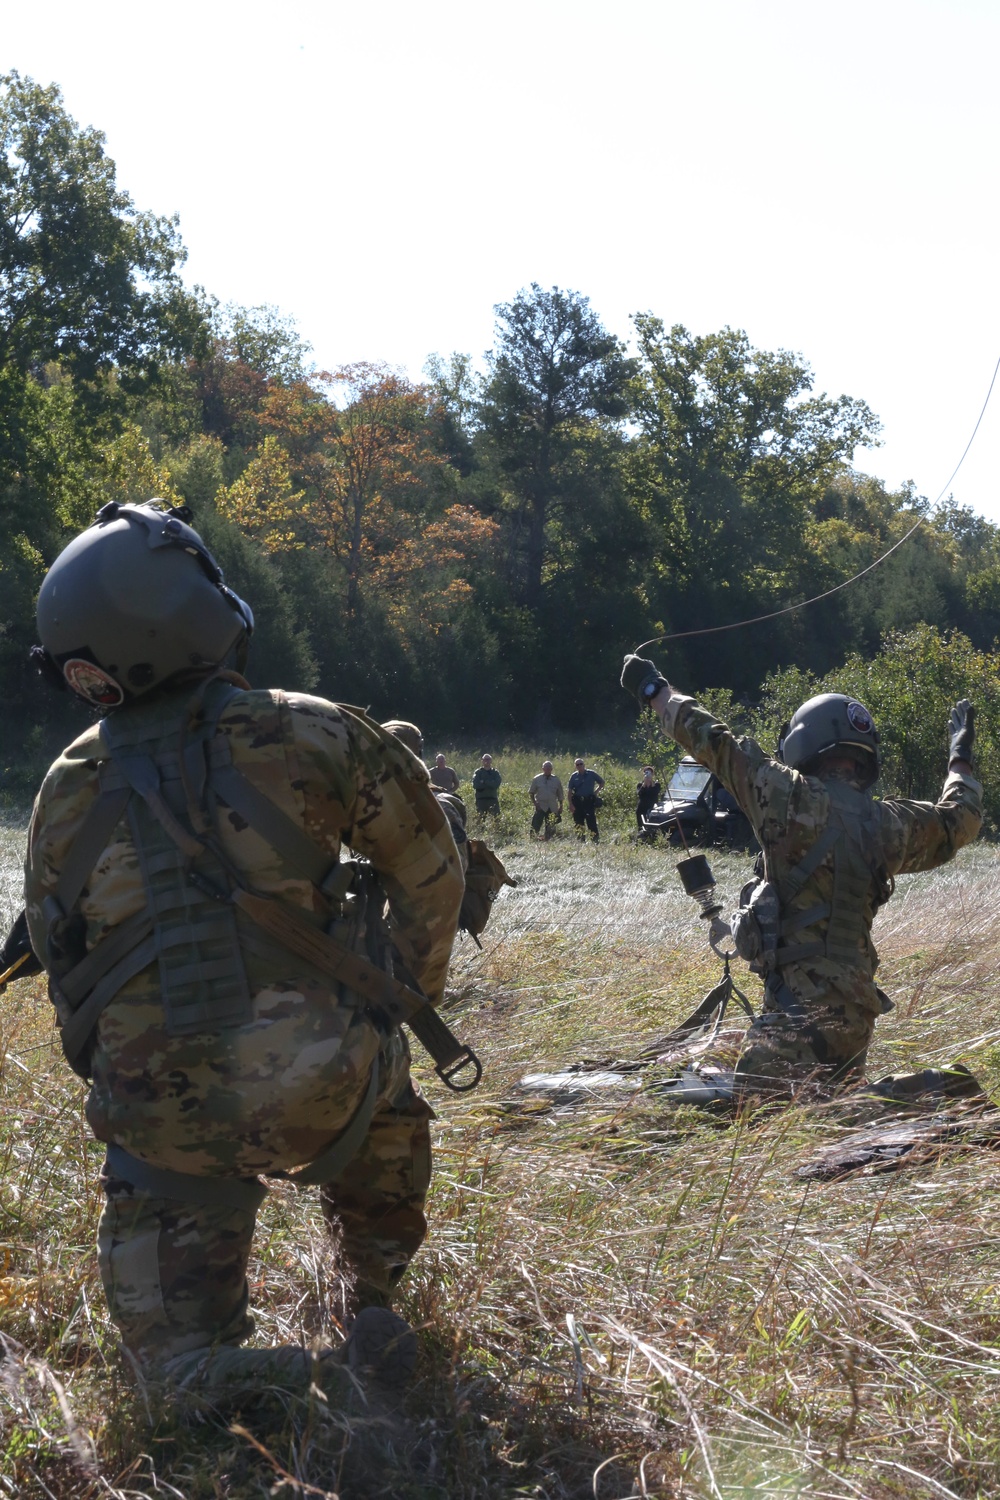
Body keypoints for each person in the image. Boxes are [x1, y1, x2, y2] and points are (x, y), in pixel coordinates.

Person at [23, 501, 467, 1391]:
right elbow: (433, 878)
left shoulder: (66, 786)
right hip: (330, 1085)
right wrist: (394, 1005)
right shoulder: (318, 729)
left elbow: (56, 951)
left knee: (171, 1376)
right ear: (195, 607)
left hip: (160, 1123)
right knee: (392, 1108)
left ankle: (208, 1367)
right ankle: (369, 1296)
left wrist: (134, 1075)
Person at [621, 654, 983, 1094]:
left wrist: (653, 687)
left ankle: (935, 1093)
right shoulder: (890, 824)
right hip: (852, 1020)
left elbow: (711, 739)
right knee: (724, 1068)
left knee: (710, 1101)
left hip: (797, 1019)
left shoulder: (784, 794)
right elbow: (960, 818)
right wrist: (959, 756)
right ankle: (871, 1101)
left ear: (802, 744)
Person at [567, 757, 605, 843]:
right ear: (575, 766)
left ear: (584, 765)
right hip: (577, 801)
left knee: (591, 821)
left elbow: (602, 782)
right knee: (578, 822)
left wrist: (596, 792)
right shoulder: (574, 776)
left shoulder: (591, 774)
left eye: (581, 764)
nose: (580, 766)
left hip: (588, 801)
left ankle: (595, 840)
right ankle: (580, 841)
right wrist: (570, 804)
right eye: (578, 764)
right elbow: (569, 791)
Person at [529, 760, 564, 839]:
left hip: (552, 806)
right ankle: (533, 838)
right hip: (540, 805)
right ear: (543, 769)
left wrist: (561, 806)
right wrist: (535, 803)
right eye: (546, 767)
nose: (548, 769)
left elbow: (560, 794)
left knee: (551, 825)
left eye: (549, 768)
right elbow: (531, 793)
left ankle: (549, 839)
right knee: (536, 824)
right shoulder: (537, 779)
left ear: (552, 769)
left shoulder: (556, 780)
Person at [471, 753, 502, 819]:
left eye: (488, 759)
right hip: (481, 800)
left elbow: (496, 784)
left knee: (496, 819)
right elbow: (476, 785)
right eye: (485, 759)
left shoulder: (495, 772)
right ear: (482, 761)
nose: (486, 761)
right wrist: (490, 783)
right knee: (480, 820)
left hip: (493, 799)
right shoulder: (478, 772)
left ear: (491, 761)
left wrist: (484, 781)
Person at [635, 766, 661, 836]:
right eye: (646, 772)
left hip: (652, 807)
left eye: (650, 773)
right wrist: (644, 785)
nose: (648, 775)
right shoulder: (640, 785)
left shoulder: (656, 784)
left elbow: (655, 792)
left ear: (652, 774)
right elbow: (639, 794)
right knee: (641, 825)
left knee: (651, 824)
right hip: (642, 807)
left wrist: (651, 784)